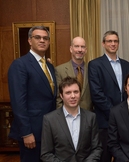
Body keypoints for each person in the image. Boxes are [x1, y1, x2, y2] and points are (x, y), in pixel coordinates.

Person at [8, 26, 57, 162]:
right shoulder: (20, 65)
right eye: (38, 37)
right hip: (32, 132)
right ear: (30, 40)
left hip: (48, 130)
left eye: (45, 38)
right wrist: (26, 132)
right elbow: (18, 102)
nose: (42, 41)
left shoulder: (50, 67)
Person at [88, 30, 129, 162]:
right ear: (103, 44)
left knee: (125, 157)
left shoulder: (127, 65)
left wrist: (123, 115)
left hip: (125, 121)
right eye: (109, 41)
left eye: (115, 41)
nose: (113, 44)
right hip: (105, 121)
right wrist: (114, 114)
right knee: (104, 157)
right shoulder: (95, 65)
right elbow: (97, 94)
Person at [40, 76, 102, 161]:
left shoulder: (91, 117)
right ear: (61, 96)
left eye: (76, 92)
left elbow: (97, 148)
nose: (73, 96)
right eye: (68, 93)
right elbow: (46, 154)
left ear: (80, 94)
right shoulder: (50, 120)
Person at [55, 36, 92, 111]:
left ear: (86, 50)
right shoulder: (59, 70)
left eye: (82, 47)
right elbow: (58, 98)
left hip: (88, 115)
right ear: (71, 49)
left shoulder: (92, 69)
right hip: (67, 115)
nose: (80, 50)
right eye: (76, 46)